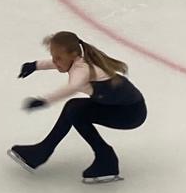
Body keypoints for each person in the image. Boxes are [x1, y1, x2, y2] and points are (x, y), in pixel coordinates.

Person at [10, 31, 146, 183]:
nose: (55, 61)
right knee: (74, 108)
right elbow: (57, 64)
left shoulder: (81, 69)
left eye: (58, 58)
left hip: (130, 114)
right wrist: (35, 65)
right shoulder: (77, 61)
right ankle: (42, 151)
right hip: (119, 106)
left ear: (73, 55)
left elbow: (73, 87)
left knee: (75, 111)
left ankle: (106, 158)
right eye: (53, 57)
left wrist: (44, 101)